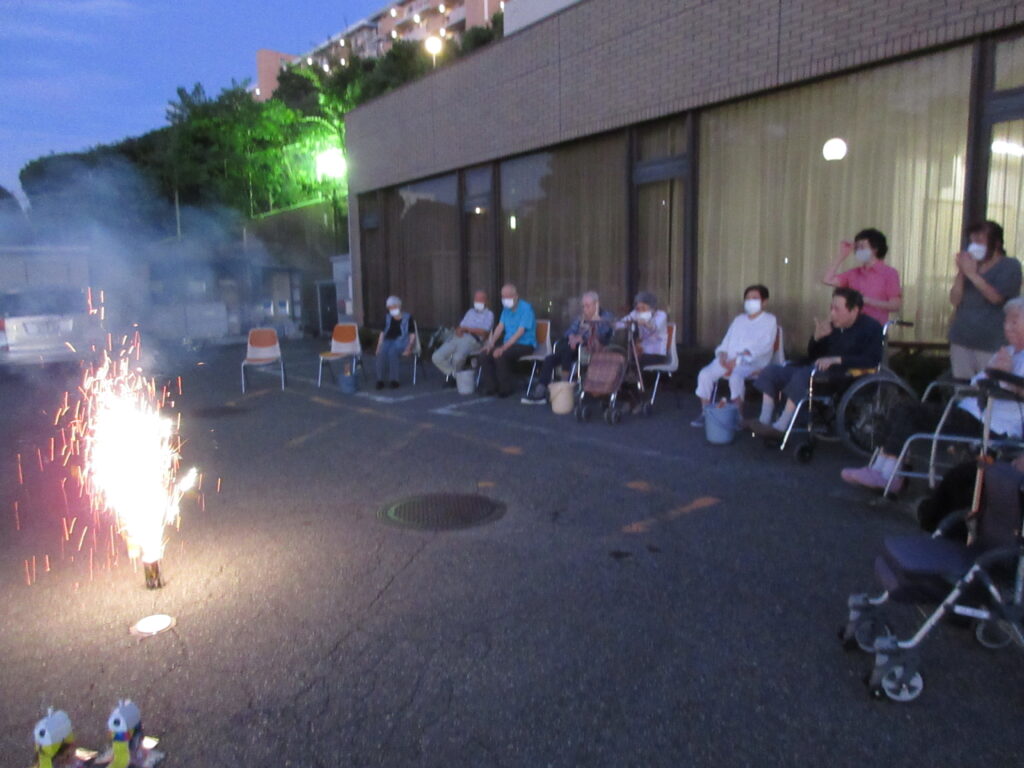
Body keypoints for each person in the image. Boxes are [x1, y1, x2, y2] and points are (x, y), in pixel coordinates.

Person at [842, 297, 1024, 493]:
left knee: (909, 411)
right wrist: (993, 370)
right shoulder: (1008, 352)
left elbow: (1015, 390)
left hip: (993, 425)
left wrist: (1004, 374)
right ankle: (881, 470)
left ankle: (890, 476)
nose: (1008, 327)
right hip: (970, 412)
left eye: (1014, 321)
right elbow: (976, 383)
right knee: (900, 408)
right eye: (1006, 321)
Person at [750, 287, 883, 436]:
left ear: (854, 310)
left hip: (845, 375)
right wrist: (817, 339)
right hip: (818, 369)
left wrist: (837, 360)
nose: (832, 313)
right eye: (831, 308)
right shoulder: (833, 326)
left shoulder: (871, 327)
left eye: (837, 309)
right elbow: (814, 355)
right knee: (772, 371)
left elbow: (872, 359)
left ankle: (781, 425)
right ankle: (764, 420)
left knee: (803, 375)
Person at [692, 284, 778, 427]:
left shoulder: (769, 320)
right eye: (748, 298)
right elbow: (726, 341)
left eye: (755, 298)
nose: (750, 301)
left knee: (735, 376)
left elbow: (764, 346)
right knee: (705, 374)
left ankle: (737, 416)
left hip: (752, 363)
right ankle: (706, 413)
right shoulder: (739, 320)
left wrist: (739, 359)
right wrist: (722, 355)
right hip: (728, 360)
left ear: (764, 301)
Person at [948, 220, 1022, 380]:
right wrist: (962, 272)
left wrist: (973, 275)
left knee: (989, 389)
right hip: (961, 338)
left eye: (979, 241)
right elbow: (955, 300)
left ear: (996, 243)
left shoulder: (1010, 266)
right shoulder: (971, 267)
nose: (974, 245)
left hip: (991, 342)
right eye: (972, 241)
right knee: (962, 388)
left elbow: (997, 298)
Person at [522, 290, 614, 404]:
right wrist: (572, 337)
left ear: (596, 304)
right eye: (583, 306)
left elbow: (602, 333)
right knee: (550, 359)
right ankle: (540, 391)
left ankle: (563, 386)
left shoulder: (605, 316)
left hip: (588, 349)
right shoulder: (581, 316)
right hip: (572, 349)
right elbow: (570, 330)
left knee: (567, 349)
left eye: (588, 306)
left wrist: (583, 337)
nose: (585, 308)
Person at [822, 228, 902, 326]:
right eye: (857, 247)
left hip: (875, 328)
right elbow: (827, 280)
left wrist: (868, 301)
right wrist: (842, 255)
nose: (858, 251)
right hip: (851, 326)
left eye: (862, 247)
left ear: (875, 249)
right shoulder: (854, 272)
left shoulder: (889, 273)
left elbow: (895, 305)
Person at [478, 283, 537, 398]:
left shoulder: (526, 309)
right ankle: (491, 387)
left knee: (501, 355)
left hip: (525, 344)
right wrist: (491, 343)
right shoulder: (506, 310)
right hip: (509, 343)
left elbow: (519, 333)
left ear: (516, 296)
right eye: (503, 297)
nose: (505, 300)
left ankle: (505, 388)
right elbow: (500, 327)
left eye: (508, 296)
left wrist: (502, 348)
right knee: (484, 354)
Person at [432, 290, 494, 379]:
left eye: (480, 300)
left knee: (457, 358)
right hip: (459, 337)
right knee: (437, 356)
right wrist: (458, 330)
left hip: (473, 340)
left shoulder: (489, 314)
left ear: (486, 301)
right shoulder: (470, 312)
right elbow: (460, 327)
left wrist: (467, 329)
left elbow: (484, 331)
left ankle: (454, 379)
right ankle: (455, 375)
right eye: (476, 299)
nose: (477, 302)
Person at [374, 295, 416, 389]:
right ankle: (379, 380)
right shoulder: (387, 317)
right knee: (381, 353)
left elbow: (412, 335)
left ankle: (394, 380)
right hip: (387, 340)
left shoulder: (408, 317)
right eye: (389, 307)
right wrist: (378, 346)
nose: (391, 309)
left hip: (401, 341)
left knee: (392, 352)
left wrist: (409, 348)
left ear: (399, 306)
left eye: (393, 306)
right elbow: (382, 333)